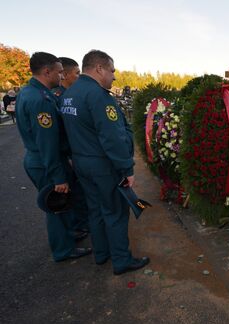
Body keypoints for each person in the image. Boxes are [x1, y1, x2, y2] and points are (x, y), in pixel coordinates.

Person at [61, 49, 150, 275]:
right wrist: (126, 168)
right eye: (111, 70)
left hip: (81, 162)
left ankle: (101, 254)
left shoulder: (70, 94)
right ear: (99, 69)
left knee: (96, 210)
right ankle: (121, 260)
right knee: (116, 212)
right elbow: (112, 137)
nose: (114, 76)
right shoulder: (98, 96)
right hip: (103, 166)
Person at [14, 52, 92, 262]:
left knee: (62, 205)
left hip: (39, 159)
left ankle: (68, 236)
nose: (61, 76)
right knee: (57, 206)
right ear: (46, 71)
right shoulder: (41, 101)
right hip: (46, 162)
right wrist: (58, 177)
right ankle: (63, 249)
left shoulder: (29, 92)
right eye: (58, 72)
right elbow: (47, 143)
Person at [51, 57, 89, 238]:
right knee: (75, 193)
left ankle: (81, 223)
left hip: (75, 152)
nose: (79, 77)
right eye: (77, 73)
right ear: (65, 75)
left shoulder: (70, 95)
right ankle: (80, 225)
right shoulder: (59, 97)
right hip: (70, 154)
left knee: (79, 191)